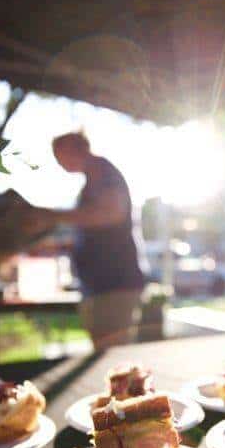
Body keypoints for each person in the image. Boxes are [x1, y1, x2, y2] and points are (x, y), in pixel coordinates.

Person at [32, 132, 145, 350]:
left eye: (59, 155)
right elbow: (94, 233)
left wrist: (53, 216)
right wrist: (54, 247)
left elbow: (112, 214)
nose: (59, 163)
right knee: (103, 352)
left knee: (113, 356)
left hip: (116, 282)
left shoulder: (105, 173)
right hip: (99, 285)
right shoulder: (92, 182)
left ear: (76, 149)